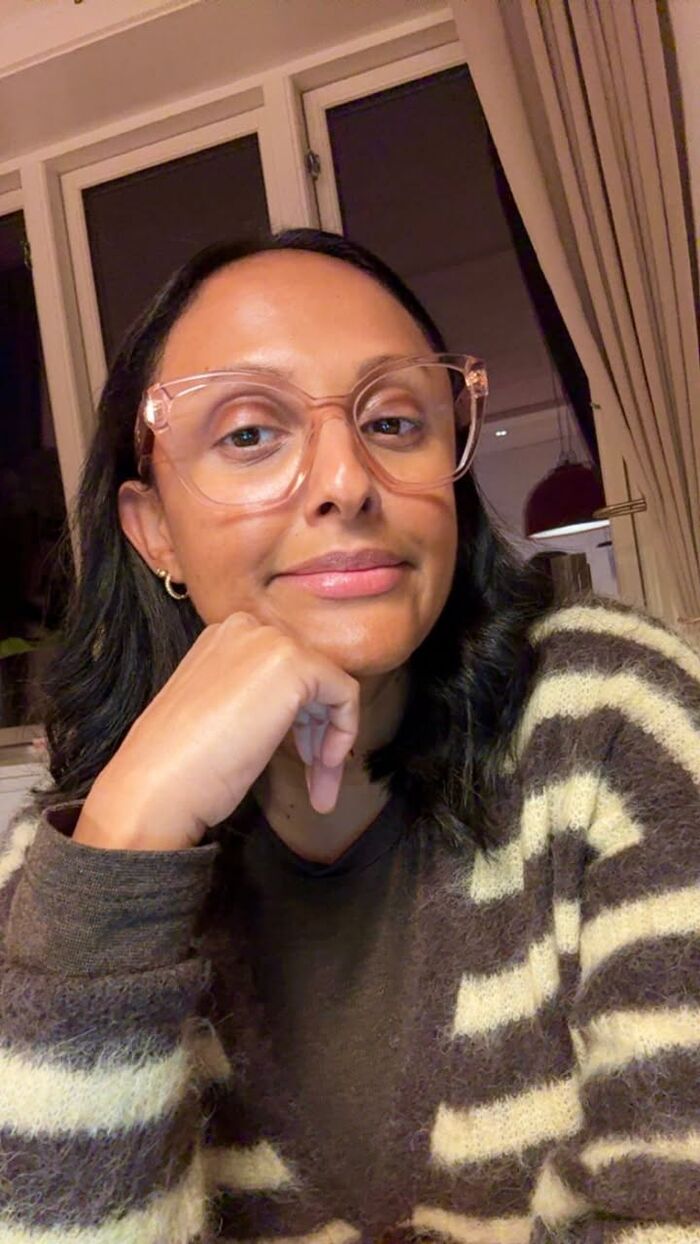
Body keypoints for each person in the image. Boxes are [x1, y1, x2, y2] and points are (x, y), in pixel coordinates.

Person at [1, 230, 698, 1244]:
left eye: (393, 420)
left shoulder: (611, 722)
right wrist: (126, 850)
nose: (347, 480)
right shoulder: (60, 882)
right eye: (250, 433)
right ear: (153, 531)